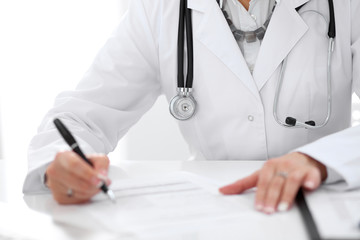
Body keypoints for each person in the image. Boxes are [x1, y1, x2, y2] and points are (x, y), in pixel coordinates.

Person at [23, 0, 360, 214]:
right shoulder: (159, 9)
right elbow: (80, 115)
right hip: (211, 212)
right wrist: (62, 163)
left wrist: (319, 160)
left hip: (321, 204)